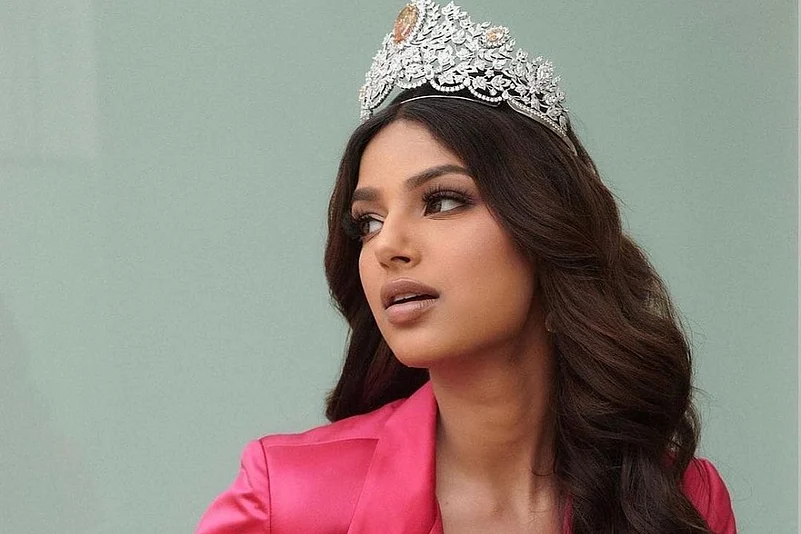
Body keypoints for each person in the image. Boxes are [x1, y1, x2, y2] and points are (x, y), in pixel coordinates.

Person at [196, 1, 736, 532]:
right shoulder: (289, 501)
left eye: (442, 201)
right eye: (368, 222)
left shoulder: (681, 500)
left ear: (543, 229)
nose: (387, 246)